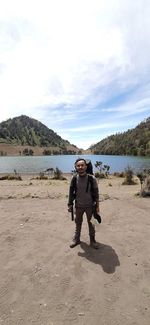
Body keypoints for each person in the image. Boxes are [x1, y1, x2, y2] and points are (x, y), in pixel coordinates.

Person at [68, 158, 100, 249]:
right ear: (76, 167)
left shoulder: (92, 178)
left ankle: (92, 240)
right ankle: (76, 239)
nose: (80, 167)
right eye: (78, 165)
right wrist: (70, 204)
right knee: (78, 223)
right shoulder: (74, 178)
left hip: (91, 206)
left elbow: (96, 193)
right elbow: (71, 192)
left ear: (86, 166)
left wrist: (97, 206)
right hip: (78, 206)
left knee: (92, 224)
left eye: (82, 165)